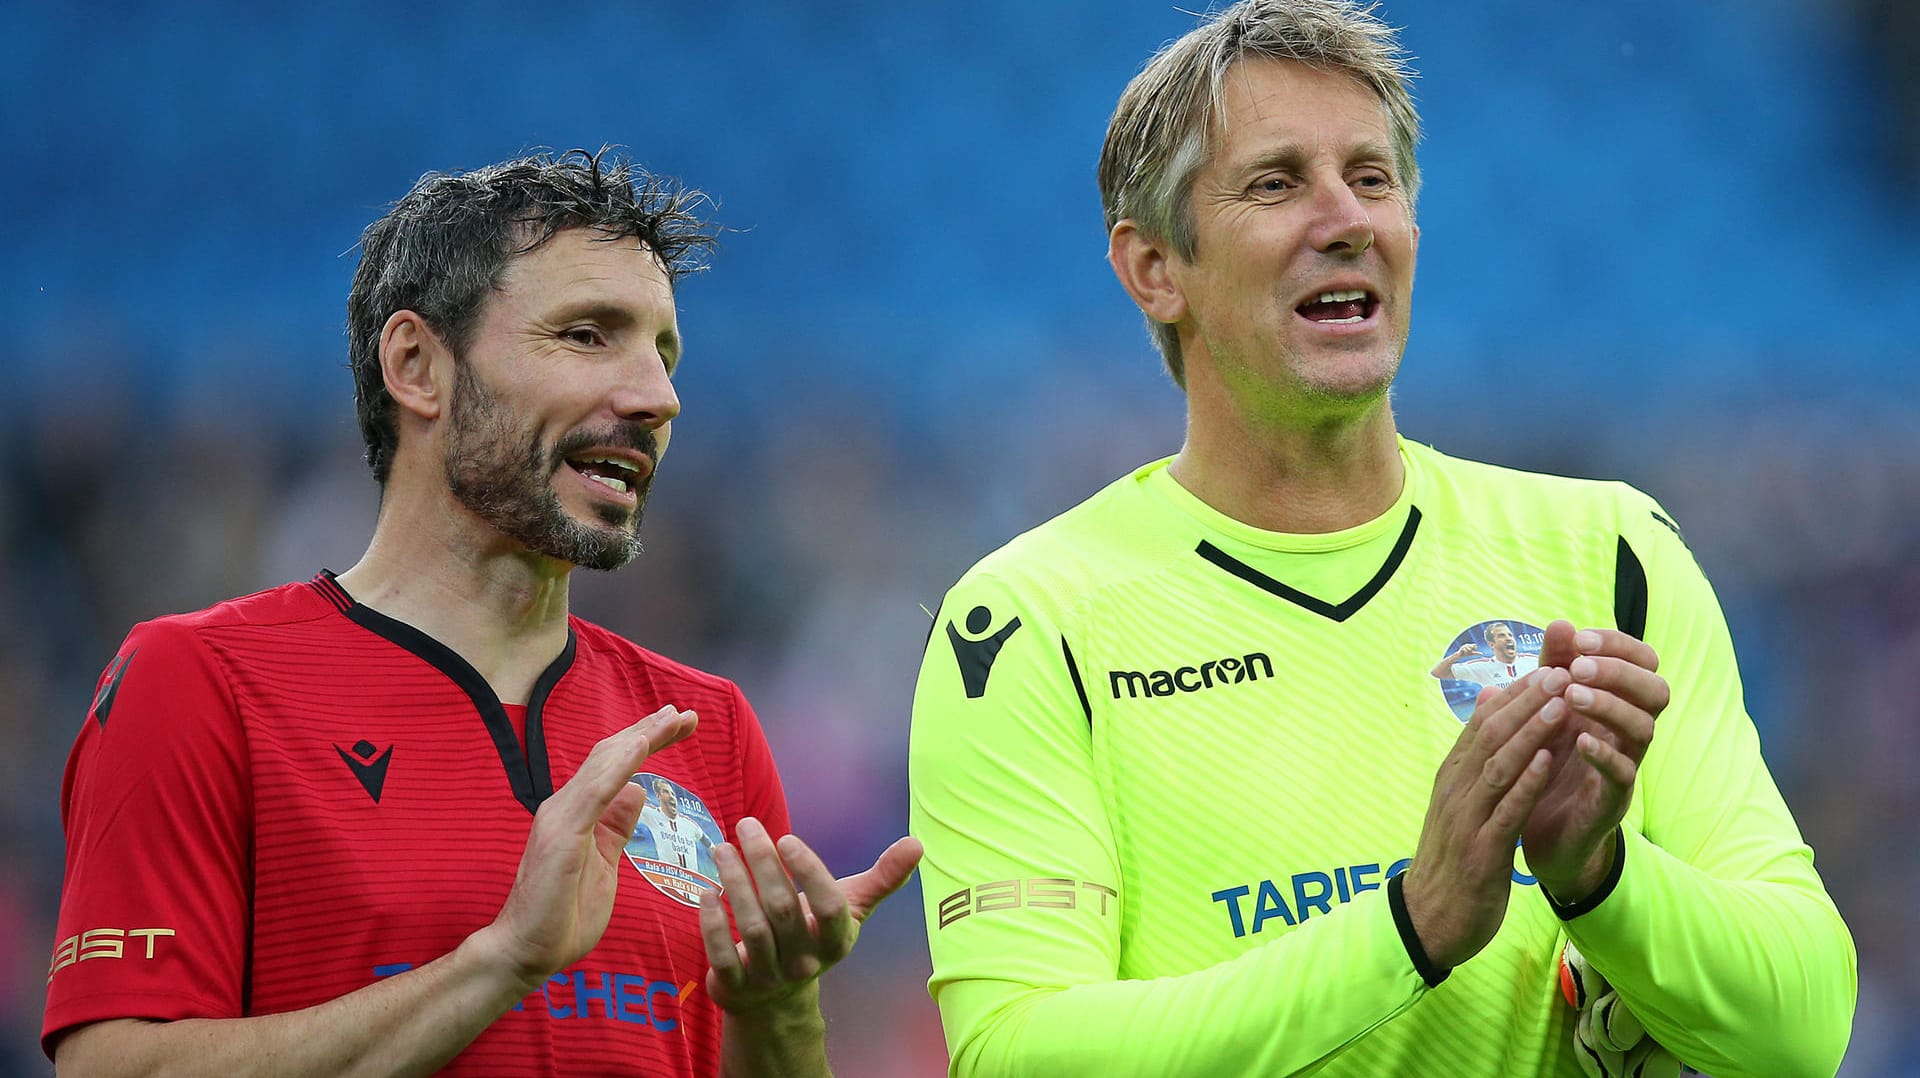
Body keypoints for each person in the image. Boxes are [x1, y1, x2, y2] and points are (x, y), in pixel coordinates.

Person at [907, 3, 1856, 1075]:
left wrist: (1601, 878)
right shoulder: (1033, 618)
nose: (1346, 219)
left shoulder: (1608, 554)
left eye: (1372, 178)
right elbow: (1018, 1053)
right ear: (1155, 269)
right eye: (1275, 183)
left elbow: (1803, 1030)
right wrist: (1409, 924)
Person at [44, 149, 921, 1077]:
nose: (656, 397)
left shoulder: (705, 729)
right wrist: (499, 961)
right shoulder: (202, 683)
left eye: (663, 355)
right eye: (587, 335)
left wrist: (780, 1015)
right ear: (418, 366)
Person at [1432, 620, 1540, 688]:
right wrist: (1458, 655)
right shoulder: (1482, 667)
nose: (1509, 639)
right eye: (1502, 636)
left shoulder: (1533, 661)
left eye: (1510, 635)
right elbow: (1437, 672)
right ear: (1491, 644)